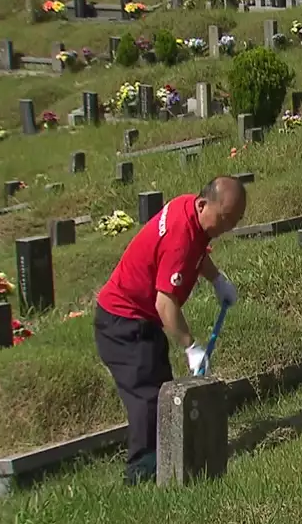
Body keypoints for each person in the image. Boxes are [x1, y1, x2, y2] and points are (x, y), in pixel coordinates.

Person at [94, 176, 247, 484]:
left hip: (139, 319)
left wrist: (217, 279)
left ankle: (168, 458)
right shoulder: (180, 235)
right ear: (204, 204)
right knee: (147, 398)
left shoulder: (189, 210)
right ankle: (141, 472)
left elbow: (198, 251)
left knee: (161, 390)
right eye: (224, 218)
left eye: (235, 221)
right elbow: (166, 306)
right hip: (123, 321)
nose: (227, 227)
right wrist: (191, 347)